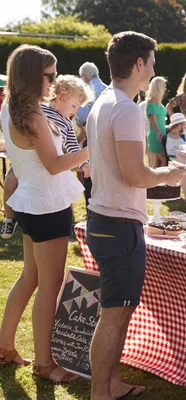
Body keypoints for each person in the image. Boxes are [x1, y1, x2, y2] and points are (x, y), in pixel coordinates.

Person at [85, 31, 186, 400]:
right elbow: (135, 174)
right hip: (117, 226)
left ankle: (111, 384)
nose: (153, 69)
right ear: (138, 63)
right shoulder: (126, 108)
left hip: (108, 220)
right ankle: (102, 391)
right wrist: (171, 174)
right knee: (114, 315)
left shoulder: (106, 101)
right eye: (151, 62)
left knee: (120, 311)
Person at [0, 45, 87, 382]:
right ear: (32, 75)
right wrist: (91, 148)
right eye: (49, 75)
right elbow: (54, 165)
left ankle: (6, 345)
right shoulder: (33, 114)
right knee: (49, 286)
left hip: (30, 204)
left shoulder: (10, 108)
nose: (54, 81)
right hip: (47, 206)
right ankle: (45, 365)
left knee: (30, 278)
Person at [1, 75, 93, 239]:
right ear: (61, 96)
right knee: (9, 184)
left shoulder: (66, 123)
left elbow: (72, 145)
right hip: (28, 159)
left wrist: (84, 163)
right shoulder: (39, 110)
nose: (75, 111)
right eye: (73, 105)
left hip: (49, 165)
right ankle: (9, 218)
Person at [76, 62, 108, 211]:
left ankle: (91, 210)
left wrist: (78, 121)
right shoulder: (108, 90)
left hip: (92, 138)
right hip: (108, 138)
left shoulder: (87, 90)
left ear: (84, 76)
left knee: (89, 176)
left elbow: (81, 116)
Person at [146, 76, 168, 167]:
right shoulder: (152, 101)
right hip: (157, 136)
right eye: (164, 85)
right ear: (158, 86)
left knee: (158, 163)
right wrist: (159, 132)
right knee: (164, 160)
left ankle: (154, 181)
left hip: (161, 134)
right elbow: (153, 119)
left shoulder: (158, 101)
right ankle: (162, 180)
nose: (165, 87)